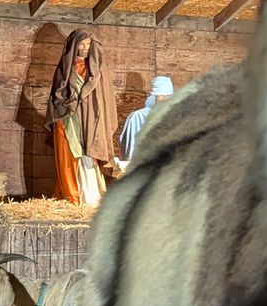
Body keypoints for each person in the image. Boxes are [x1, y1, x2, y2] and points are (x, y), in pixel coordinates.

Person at [46, 30, 116, 206]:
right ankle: (73, 198)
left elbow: (104, 97)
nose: (85, 48)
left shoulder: (98, 67)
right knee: (70, 155)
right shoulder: (66, 67)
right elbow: (57, 95)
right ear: (74, 46)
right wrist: (67, 106)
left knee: (90, 153)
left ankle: (91, 198)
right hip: (68, 119)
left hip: (91, 119)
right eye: (81, 44)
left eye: (88, 44)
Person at [113, 76, 174, 174]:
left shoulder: (173, 117)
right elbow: (130, 149)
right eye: (161, 96)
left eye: (167, 97)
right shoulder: (137, 117)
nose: (164, 100)